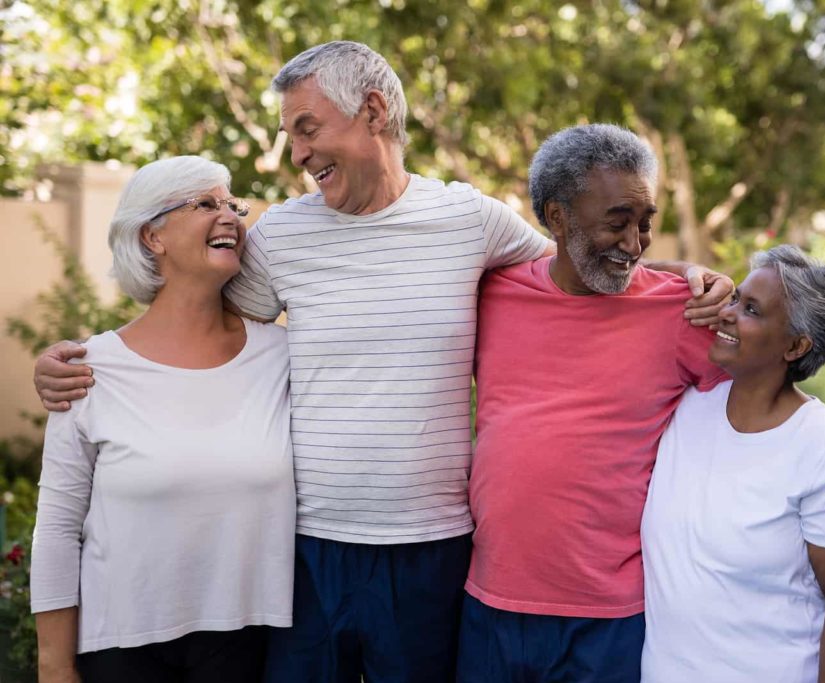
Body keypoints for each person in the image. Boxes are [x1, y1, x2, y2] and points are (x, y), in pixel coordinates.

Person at [31, 43, 735, 683]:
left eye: (307, 127)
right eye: (291, 135)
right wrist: (92, 360)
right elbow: (189, 317)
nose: (298, 152)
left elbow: (583, 259)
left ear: (371, 111)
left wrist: (685, 273)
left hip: (432, 551)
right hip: (305, 549)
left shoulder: (471, 220)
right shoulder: (277, 235)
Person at [457, 125, 825, 683]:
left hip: (610, 619)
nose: (636, 245)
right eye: (617, 221)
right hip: (490, 599)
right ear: (557, 217)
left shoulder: (680, 314)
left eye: (646, 223)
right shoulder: (491, 293)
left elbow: (771, 386)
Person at [30, 156, 295, 683]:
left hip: (251, 649)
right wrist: (54, 667)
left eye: (232, 204)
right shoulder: (89, 370)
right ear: (153, 237)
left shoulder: (282, 356)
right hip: (123, 651)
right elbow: (57, 529)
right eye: (205, 204)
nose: (231, 218)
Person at [641, 245, 825, 682]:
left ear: (795, 346)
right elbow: (615, 272)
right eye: (736, 298)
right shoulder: (684, 405)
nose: (728, 313)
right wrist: (690, 270)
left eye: (750, 308)